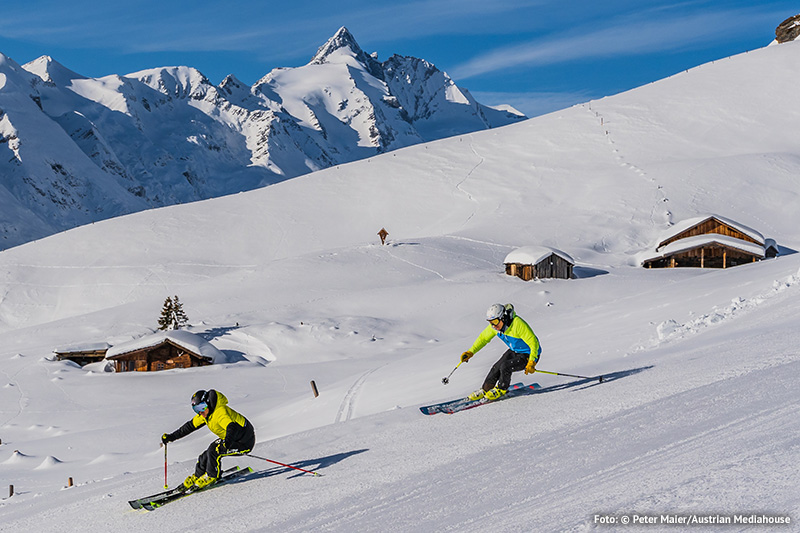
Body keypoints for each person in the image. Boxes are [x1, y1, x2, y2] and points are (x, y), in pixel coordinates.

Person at [161, 389, 256, 489]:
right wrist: (171, 437)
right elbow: (189, 427)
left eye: (202, 407)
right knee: (204, 456)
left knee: (214, 450)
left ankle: (212, 476)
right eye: (197, 409)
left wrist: (227, 442)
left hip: (244, 442)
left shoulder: (220, 411)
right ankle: (198, 476)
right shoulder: (206, 414)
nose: (200, 412)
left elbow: (231, 427)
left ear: (208, 403)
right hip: (231, 439)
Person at [460, 303, 541, 401]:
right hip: (514, 351)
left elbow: (534, 343)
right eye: (490, 322)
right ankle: (485, 390)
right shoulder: (496, 327)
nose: (493, 325)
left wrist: (532, 361)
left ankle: (502, 389)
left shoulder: (517, 324)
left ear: (503, 318)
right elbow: (483, 338)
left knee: (505, 366)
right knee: (496, 367)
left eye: (495, 321)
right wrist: (470, 352)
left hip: (529, 354)